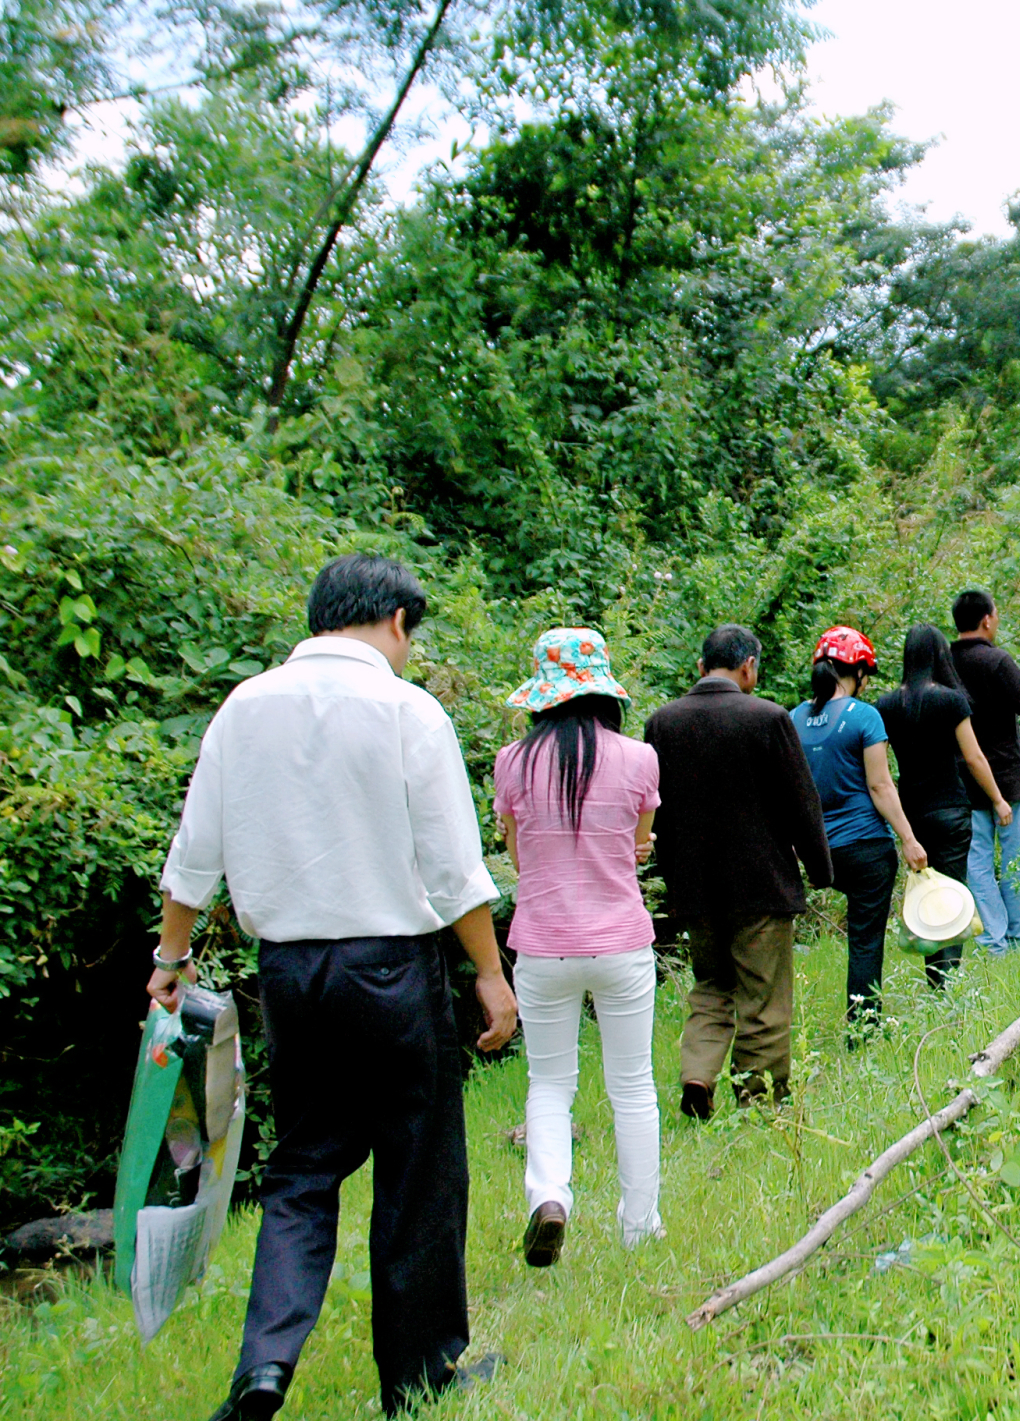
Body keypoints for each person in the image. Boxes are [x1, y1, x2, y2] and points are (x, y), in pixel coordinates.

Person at [147, 554, 516, 1421]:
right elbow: (453, 869)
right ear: (393, 619)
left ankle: (264, 1369)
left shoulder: (243, 707)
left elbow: (193, 853)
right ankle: (419, 1376)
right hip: (392, 965)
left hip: (290, 976)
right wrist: (493, 975)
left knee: (303, 1170)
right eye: (410, 635)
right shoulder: (405, 709)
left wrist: (171, 957)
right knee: (418, 1165)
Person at [495, 628, 660, 1269]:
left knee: (549, 1083)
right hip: (621, 939)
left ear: (542, 696)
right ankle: (640, 1226)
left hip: (541, 942)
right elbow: (637, 846)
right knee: (633, 1087)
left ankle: (550, 1196)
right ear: (602, 692)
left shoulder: (512, 762)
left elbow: (516, 854)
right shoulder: (640, 758)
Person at [644, 624, 831, 1119]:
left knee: (711, 984)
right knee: (764, 999)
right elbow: (801, 802)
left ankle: (698, 1075)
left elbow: (655, 808)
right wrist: (821, 869)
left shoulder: (662, 723)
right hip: (761, 884)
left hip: (695, 887)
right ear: (748, 666)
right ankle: (759, 1102)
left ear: (702, 668)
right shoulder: (767, 718)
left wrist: (670, 877)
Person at [790, 626, 928, 1038]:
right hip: (866, 848)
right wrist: (909, 838)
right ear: (860, 673)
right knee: (865, 941)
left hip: (818, 854)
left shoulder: (794, 717)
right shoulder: (865, 716)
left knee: (858, 931)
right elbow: (880, 786)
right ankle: (863, 1030)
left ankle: (860, 1025)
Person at [877, 624, 1012, 988]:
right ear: (940, 655)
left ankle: (934, 979)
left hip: (912, 816)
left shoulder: (887, 705)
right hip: (951, 810)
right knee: (952, 898)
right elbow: (974, 759)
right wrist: (998, 799)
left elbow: (879, 768)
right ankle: (946, 986)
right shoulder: (951, 701)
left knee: (926, 896)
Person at [949, 589, 1020, 955]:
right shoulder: (998, 661)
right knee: (1019, 856)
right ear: (987, 619)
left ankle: (994, 942)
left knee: (978, 863)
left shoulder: (945, 663)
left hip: (963, 778)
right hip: (1008, 775)